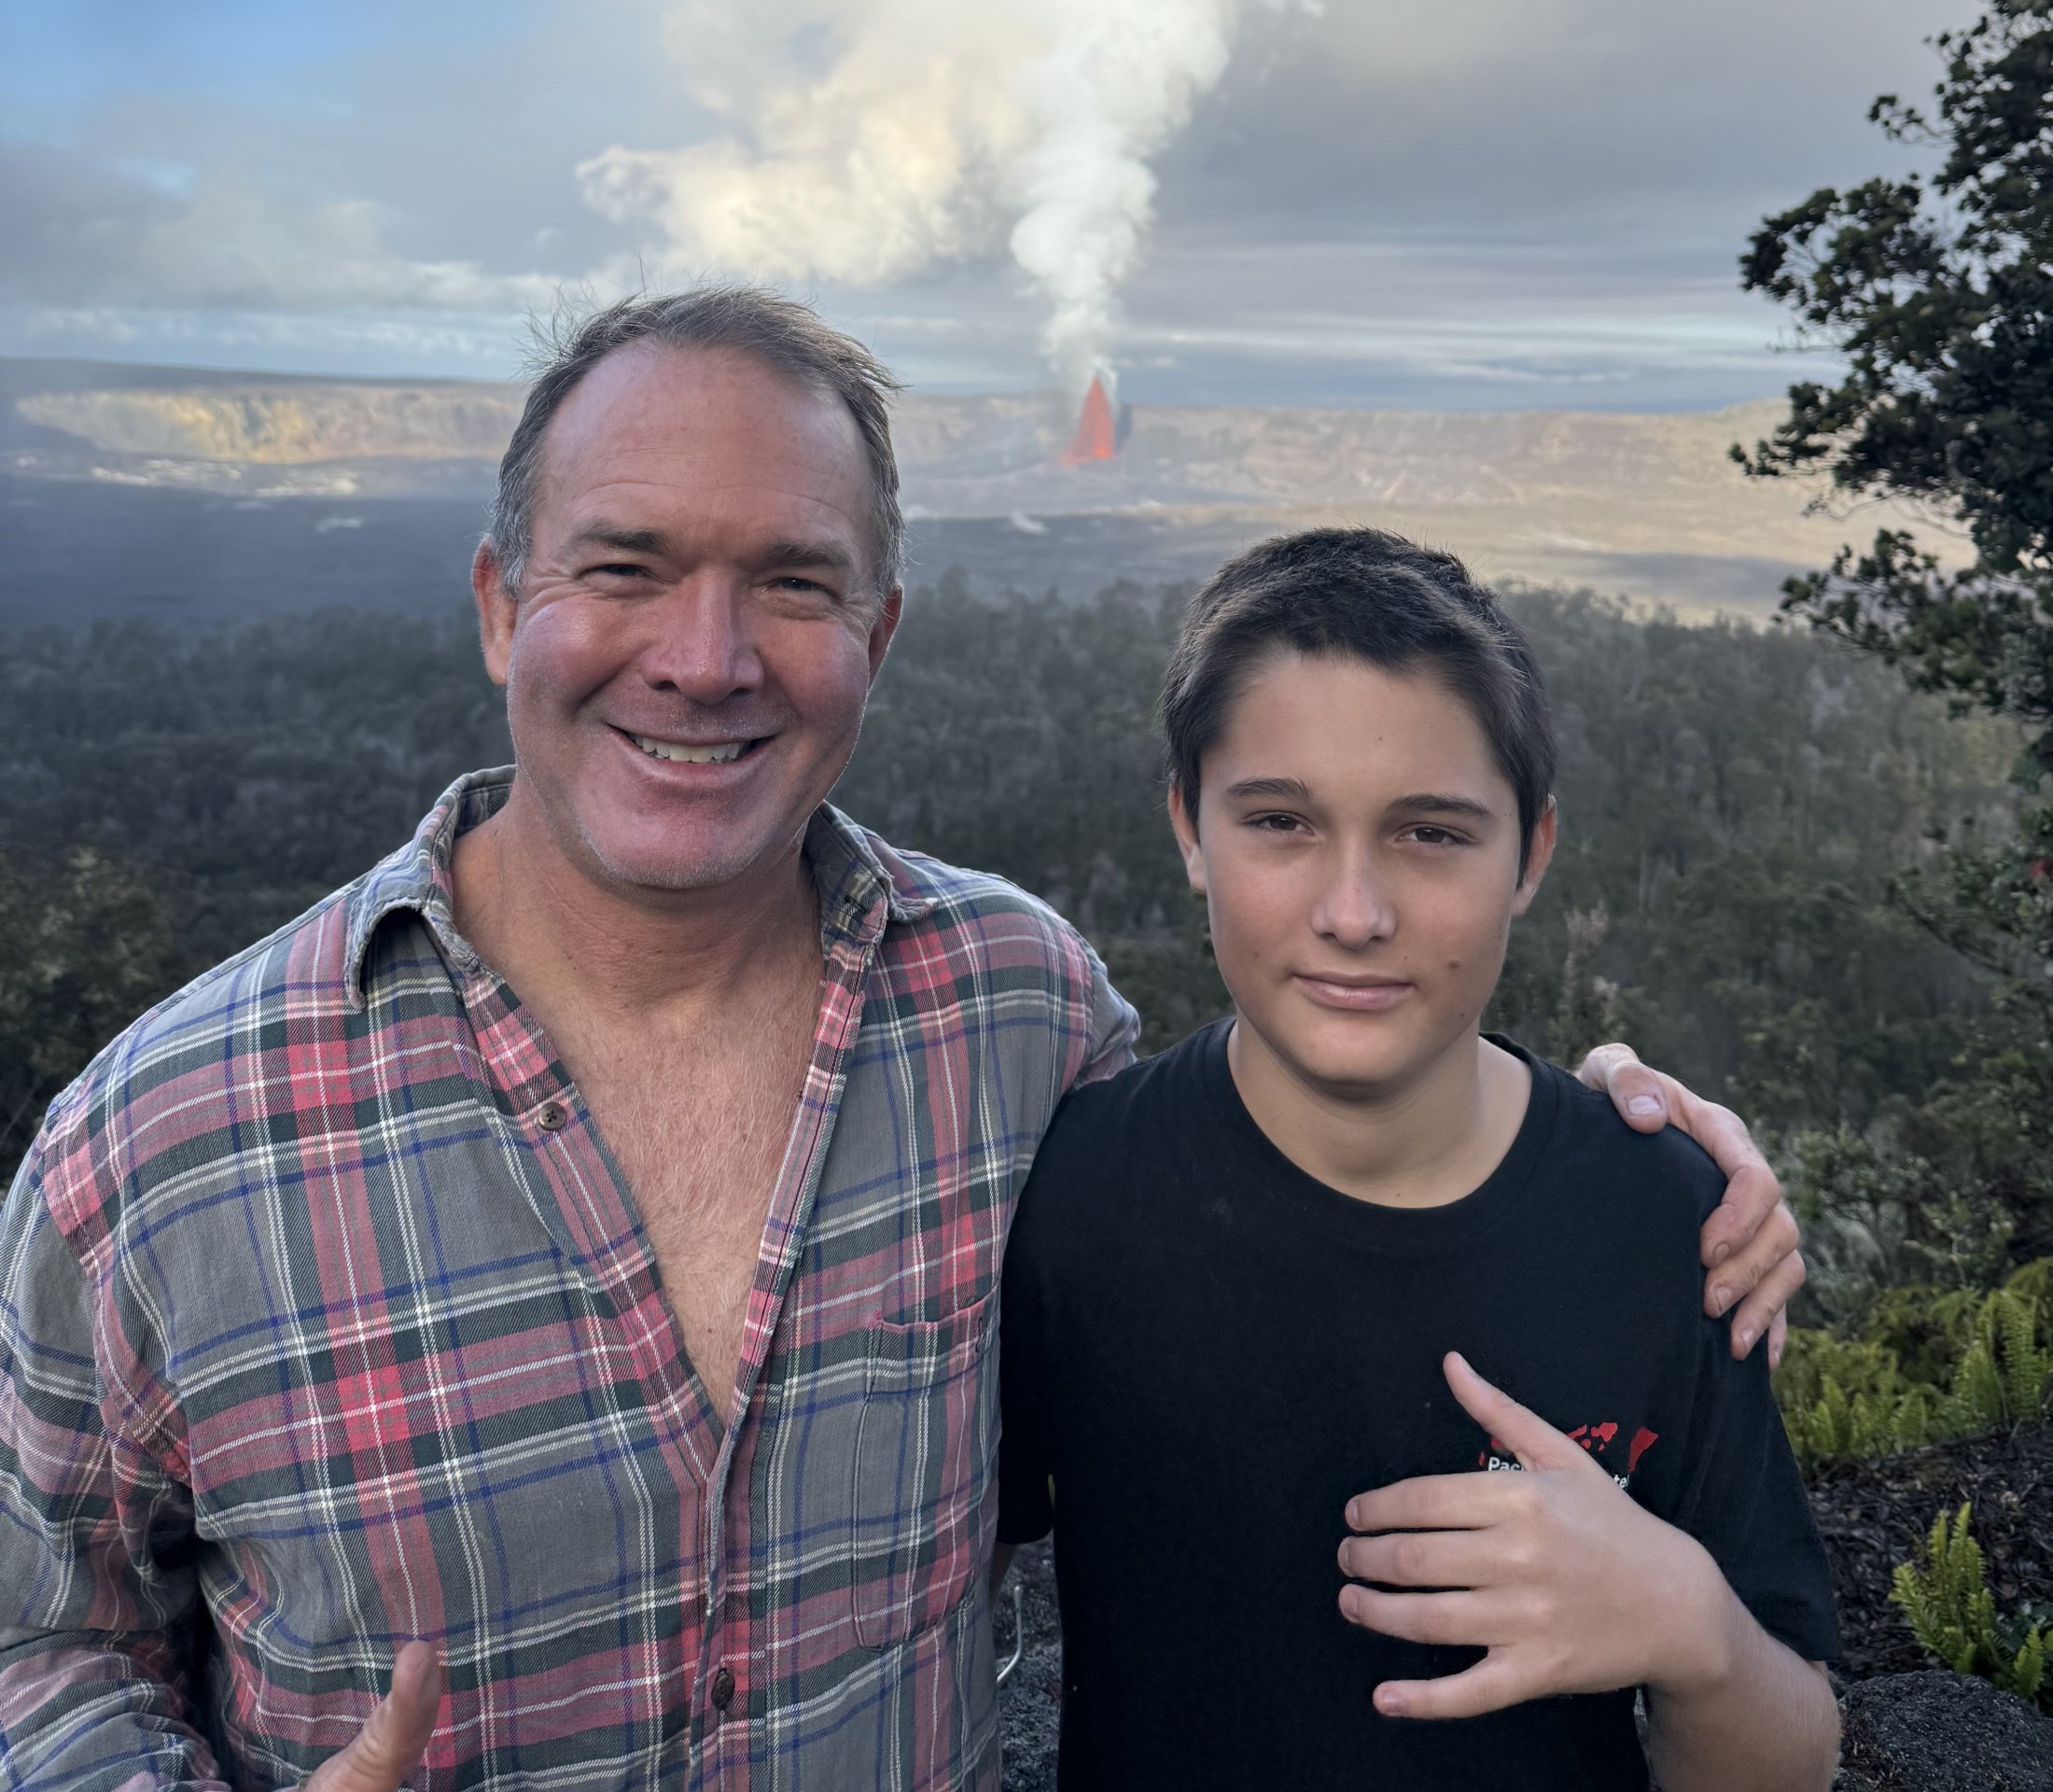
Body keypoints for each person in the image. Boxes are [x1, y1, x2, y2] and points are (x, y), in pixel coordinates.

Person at [0, 291, 1804, 1792]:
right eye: (624, 563)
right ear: (497, 605)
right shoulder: (158, 1144)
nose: (705, 658)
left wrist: (1629, 1137)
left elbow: (1314, 1121)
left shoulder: (1014, 1021)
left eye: (793, 583)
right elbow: (40, 1638)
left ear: (879, 631)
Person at [996, 526, 1840, 1790]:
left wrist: (1693, 1625)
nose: (1353, 910)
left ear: (1532, 853)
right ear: (1188, 827)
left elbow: (1787, 1756)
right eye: (1279, 819)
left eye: (1431, 832)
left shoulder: (1667, 1221)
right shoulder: (1069, 1203)